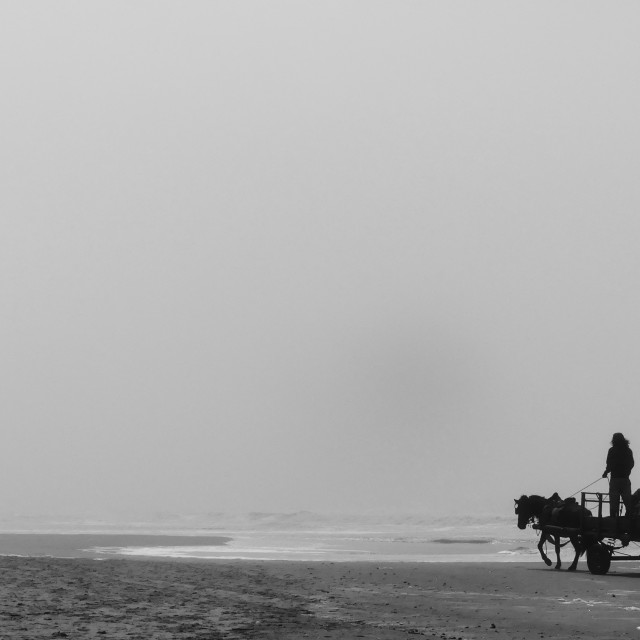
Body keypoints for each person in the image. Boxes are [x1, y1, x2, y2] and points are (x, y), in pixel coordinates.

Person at [602, 432, 635, 517]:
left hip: (615, 479)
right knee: (628, 501)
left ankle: (614, 519)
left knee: (614, 502)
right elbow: (631, 464)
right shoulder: (628, 450)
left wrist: (606, 472)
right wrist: (627, 472)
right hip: (625, 479)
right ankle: (629, 517)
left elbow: (609, 464)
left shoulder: (612, 450)